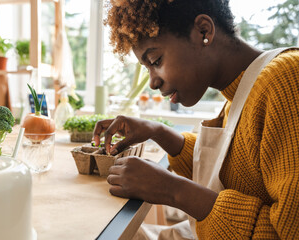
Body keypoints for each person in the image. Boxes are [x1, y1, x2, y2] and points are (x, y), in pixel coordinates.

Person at [93, 0, 299, 239]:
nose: (153, 82)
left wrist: (173, 191)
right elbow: (229, 170)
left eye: (156, 61)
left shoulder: (286, 80)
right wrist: (158, 132)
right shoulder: (243, 91)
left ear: (203, 31)